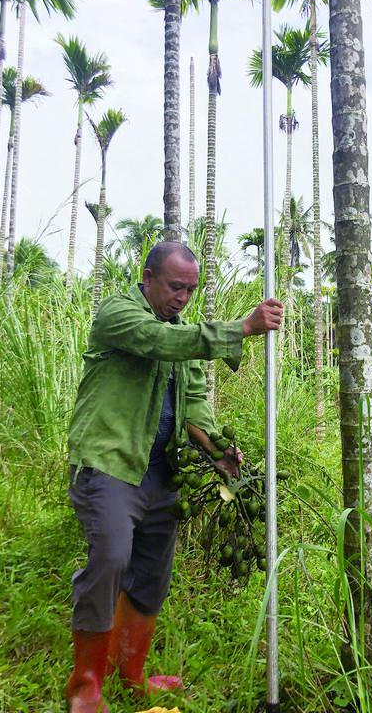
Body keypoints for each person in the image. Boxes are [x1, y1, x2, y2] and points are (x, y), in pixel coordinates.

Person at [65, 241, 283, 713]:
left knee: (152, 575)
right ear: (148, 277)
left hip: (162, 474)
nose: (184, 297)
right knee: (111, 559)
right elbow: (156, 342)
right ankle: (86, 684)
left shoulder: (182, 334)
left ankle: (132, 674)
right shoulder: (118, 314)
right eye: (175, 286)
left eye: (191, 289)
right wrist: (242, 328)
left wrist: (217, 450)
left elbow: (196, 401)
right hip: (111, 464)